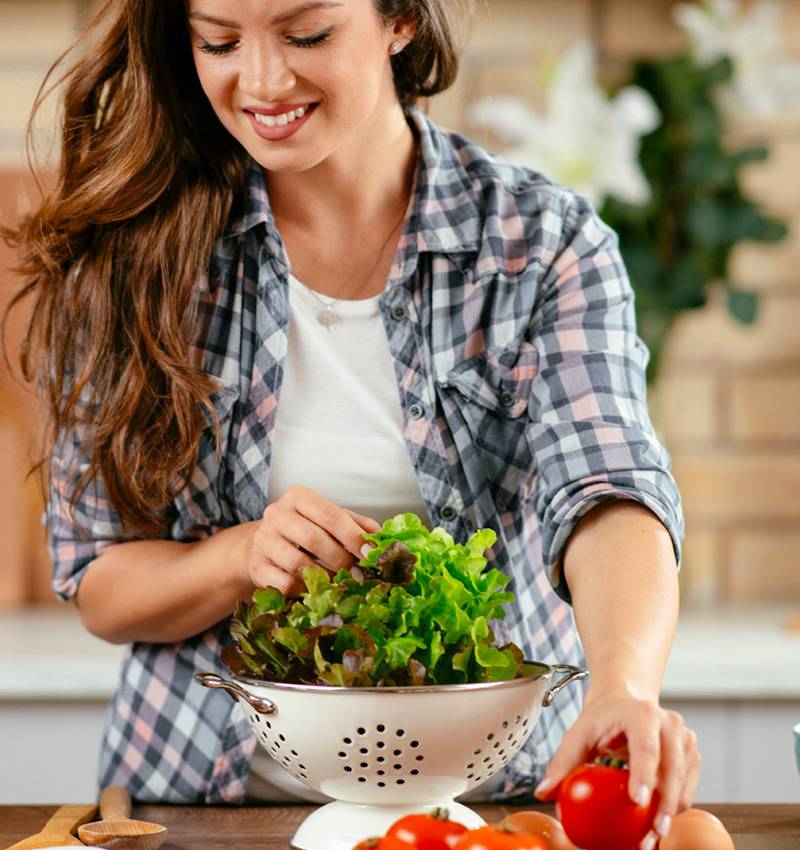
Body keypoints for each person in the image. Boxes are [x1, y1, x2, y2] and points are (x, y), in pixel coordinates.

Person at [4, 0, 699, 843]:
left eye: (307, 34)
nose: (260, 80)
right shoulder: (129, 253)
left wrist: (624, 683)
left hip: (494, 809)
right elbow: (101, 582)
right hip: (202, 809)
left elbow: (607, 487)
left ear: (401, 19)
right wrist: (238, 556)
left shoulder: (541, 244)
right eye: (218, 40)